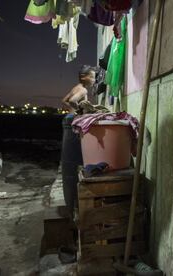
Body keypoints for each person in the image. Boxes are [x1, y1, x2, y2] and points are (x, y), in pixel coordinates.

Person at [61, 65, 96, 216]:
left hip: (67, 119)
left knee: (69, 163)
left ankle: (70, 205)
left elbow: (64, 100)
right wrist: (81, 112)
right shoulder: (83, 90)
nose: (94, 80)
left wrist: (72, 111)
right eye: (93, 77)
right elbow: (74, 101)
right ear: (84, 78)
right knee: (77, 161)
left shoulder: (76, 87)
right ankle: (77, 206)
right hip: (74, 122)